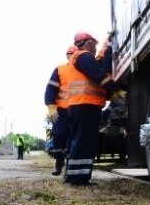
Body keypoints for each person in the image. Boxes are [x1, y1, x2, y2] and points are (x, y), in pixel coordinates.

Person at [65, 31, 117, 186]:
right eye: (94, 44)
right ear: (89, 43)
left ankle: (79, 178)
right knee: (83, 142)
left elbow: (99, 61)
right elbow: (98, 73)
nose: (95, 47)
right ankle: (76, 179)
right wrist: (114, 88)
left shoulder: (85, 58)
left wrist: (107, 42)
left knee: (84, 142)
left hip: (85, 106)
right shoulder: (82, 56)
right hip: (84, 105)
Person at [45, 45, 77, 175]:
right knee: (59, 134)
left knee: (73, 138)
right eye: (71, 54)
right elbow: (50, 90)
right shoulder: (60, 70)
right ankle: (59, 163)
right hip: (61, 111)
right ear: (67, 56)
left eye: (75, 54)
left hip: (77, 110)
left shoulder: (83, 71)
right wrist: (51, 107)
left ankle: (70, 167)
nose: (73, 57)